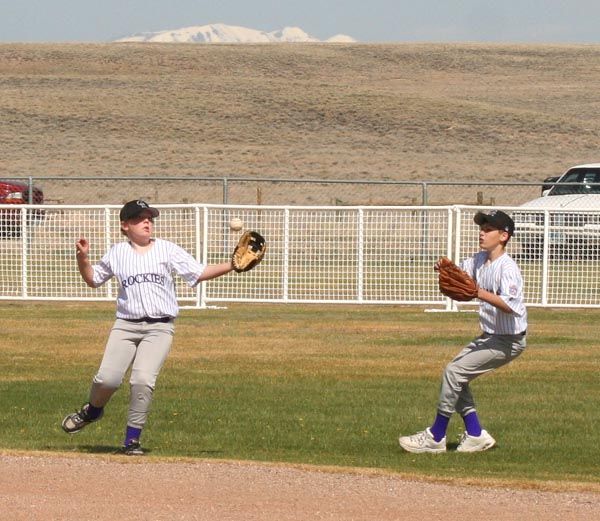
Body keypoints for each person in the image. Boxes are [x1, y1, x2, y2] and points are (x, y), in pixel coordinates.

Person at [61, 199, 236, 455]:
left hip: (159, 328)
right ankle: (92, 411)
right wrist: (83, 259)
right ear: (124, 226)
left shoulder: (167, 249)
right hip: (125, 326)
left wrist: (233, 265)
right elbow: (93, 280)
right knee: (107, 379)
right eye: (139, 218)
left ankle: (132, 440)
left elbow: (198, 272)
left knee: (142, 380)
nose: (146, 222)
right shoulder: (117, 253)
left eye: (149, 218)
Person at [398, 210, 527, 453]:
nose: (482, 232)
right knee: (456, 376)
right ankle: (476, 434)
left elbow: (511, 306)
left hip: (508, 341)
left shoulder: (508, 268)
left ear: (503, 236)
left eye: (488, 229)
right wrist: (445, 268)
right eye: (482, 227)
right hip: (490, 336)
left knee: (454, 372)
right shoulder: (480, 260)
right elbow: (460, 273)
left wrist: (479, 293)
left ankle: (436, 437)